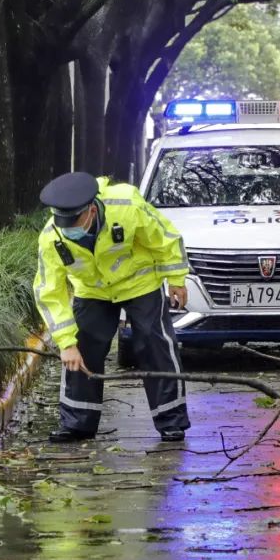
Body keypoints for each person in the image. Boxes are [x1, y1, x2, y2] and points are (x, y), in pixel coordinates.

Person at [33, 171, 191, 443]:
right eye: (62, 221)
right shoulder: (52, 237)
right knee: (82, 348)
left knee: (155, 346)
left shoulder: (127, 204)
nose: (68, 227)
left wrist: (176, 280)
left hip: (140, 284)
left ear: (91, 210)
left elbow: (165, 238)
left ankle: (171, 420)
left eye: (74, 221)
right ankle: (77, 423)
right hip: (93, 291)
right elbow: (50, 292)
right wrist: (66, 344)